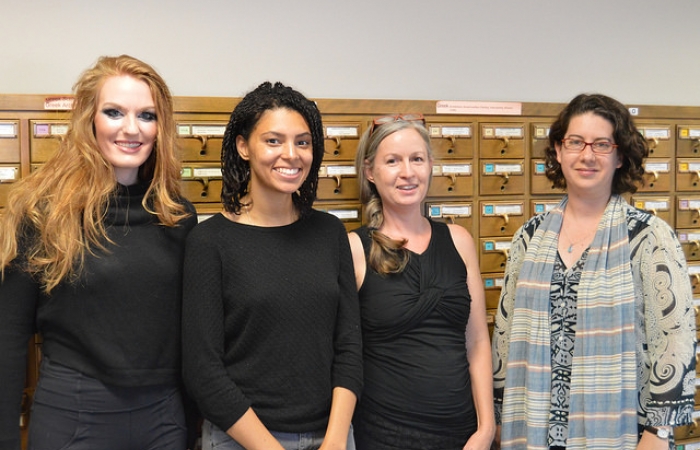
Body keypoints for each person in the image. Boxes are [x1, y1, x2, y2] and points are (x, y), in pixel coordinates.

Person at [0, 54, 198, 450]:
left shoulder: (177, 216)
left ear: (161, 127)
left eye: (147, 115)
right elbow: (9, 335)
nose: (131, 129)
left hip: (163, 417)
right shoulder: (42, 212)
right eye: (114, 112)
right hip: (73, 414)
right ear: (89, 119)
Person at [491, 93, 696, 450]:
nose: (587, 155)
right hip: (532, 426)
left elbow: (674, 341)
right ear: (558, 150)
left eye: (602, 144)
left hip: (625, 432)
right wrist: (497, 415)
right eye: (575, 142)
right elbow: (505, 337)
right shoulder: (529, 235)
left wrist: (658, 433)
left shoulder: (647, 237)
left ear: (620, 156)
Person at [181, 81, 363, 450]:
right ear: (243, 146)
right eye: (273, 140)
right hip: (242, 439)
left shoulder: (329, 232)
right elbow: (204, 372)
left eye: (303, 141)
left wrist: (335, 440)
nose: (291, 154)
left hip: (331, 436)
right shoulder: (209, 242)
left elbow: (349, 347)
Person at [348, 114, 495, 450]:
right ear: (370, 171)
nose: (407, 172)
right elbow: (343, 355)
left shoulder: (458, 240)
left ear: (430, 165)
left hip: (463, 433)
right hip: (386, 434)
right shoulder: (356, 248)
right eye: (392, 161)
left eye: (417, 159)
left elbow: (477, 341)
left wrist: (485, 429)